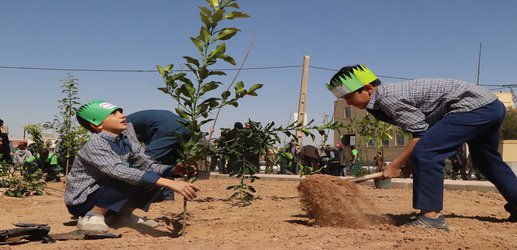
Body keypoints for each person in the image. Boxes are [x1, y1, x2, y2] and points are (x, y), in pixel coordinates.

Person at [326, 64, 517, 230]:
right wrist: (410, 164)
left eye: (349, 97)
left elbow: (421, 135)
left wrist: (395, 165)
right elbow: (426, 129)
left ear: (367, 88)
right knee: (486, 161)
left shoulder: (387, 98)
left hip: (474, 107)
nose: (348, 102)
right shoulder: (384, 99)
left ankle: (431, 218)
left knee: (427, 152)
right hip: (490, 106)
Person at [64, 100, 199, 232]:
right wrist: (168, 183)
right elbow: (118, 171)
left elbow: (148, 164)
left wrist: (173, 171)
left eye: (120, 112)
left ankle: (122, 215)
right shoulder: (96, 144)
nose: (122, 115)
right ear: (96, 125)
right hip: (83, 201)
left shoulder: (126, 141)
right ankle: (93, 216)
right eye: (113, 114)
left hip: (104, 192)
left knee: (153, 176)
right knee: (128, 175)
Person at [126, 110, 191, 201]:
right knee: (168, 163)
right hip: (185, 126)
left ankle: (132, 198)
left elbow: (132, 150)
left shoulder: (122, 124)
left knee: (145, 162)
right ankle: (168, 197)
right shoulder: (135, 121)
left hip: (168, 128)